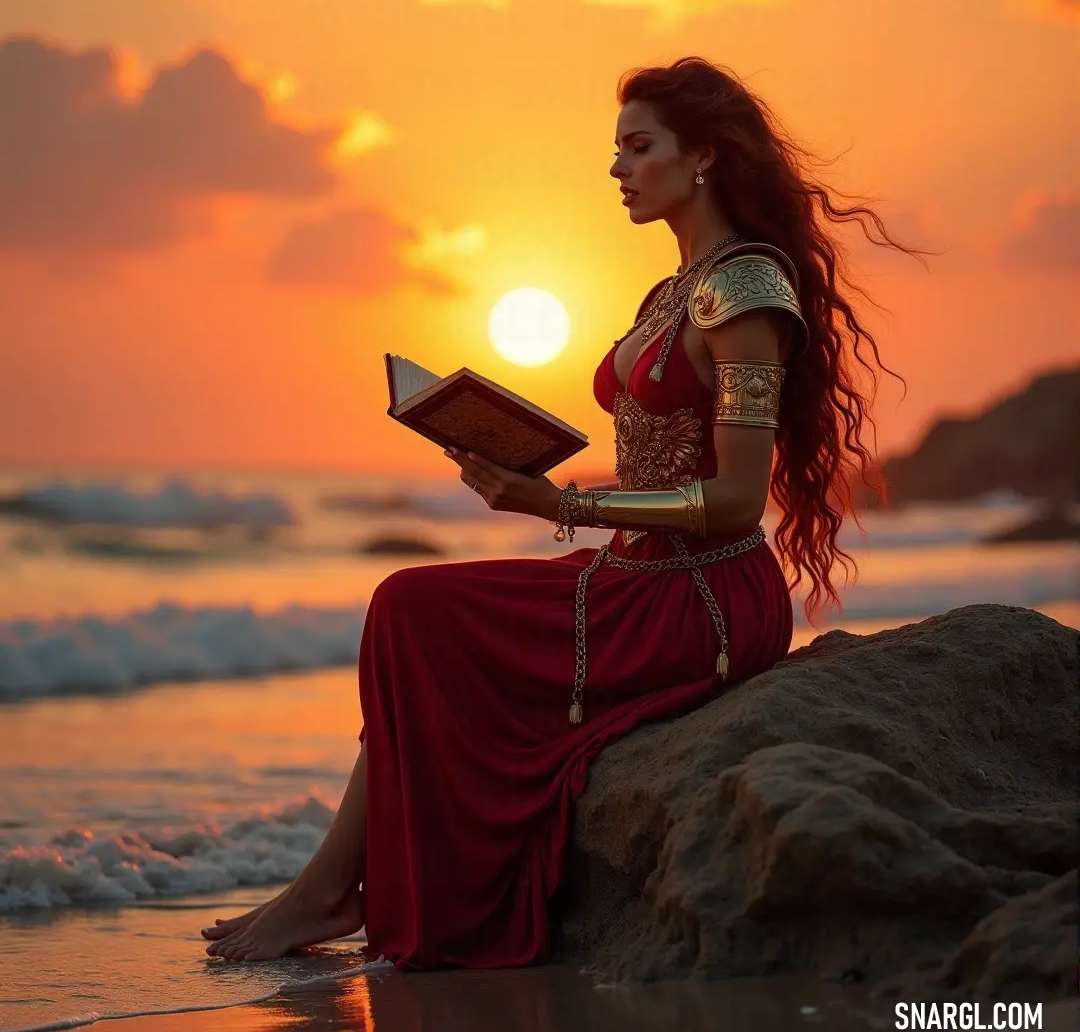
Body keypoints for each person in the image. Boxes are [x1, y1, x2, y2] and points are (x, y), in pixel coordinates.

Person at [201, 57, 919, 966]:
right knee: (404, 613)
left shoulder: (746, 293)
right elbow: (659, 445)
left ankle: (327, 893)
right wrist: (513, 451)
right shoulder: (671, 291)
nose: (617, 168)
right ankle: (326, 888)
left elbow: (738, 501)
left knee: (409, 610)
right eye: (615, 149)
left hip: (697, 596)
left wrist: (562, 504)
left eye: (638, 146)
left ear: (702, 155)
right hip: (631, 569)